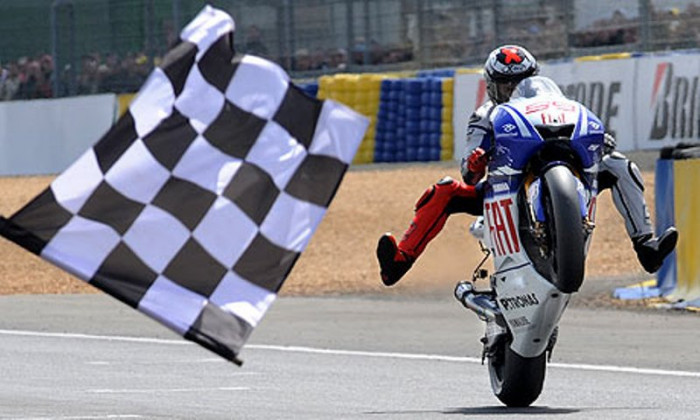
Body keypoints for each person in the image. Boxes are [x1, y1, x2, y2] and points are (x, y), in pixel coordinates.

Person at [377, 45, 678, 286]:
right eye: (505, 86)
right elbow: (468, 173)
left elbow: (597, 138)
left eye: (519, 84)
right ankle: (398, 263)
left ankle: (646, 247)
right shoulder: (484, 116)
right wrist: (477, 159)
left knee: (620, 166)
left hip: (553, 164)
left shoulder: (556, 107)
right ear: (492, 86)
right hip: (500, 187)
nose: (512, 91)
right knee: (443, 190)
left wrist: (600, 141)